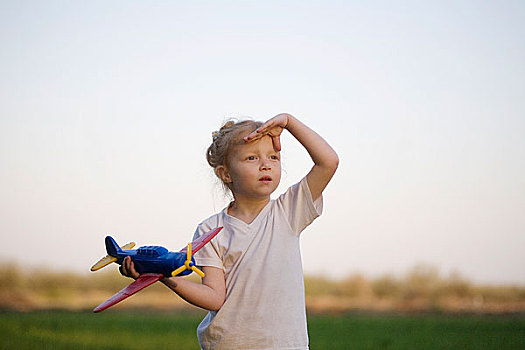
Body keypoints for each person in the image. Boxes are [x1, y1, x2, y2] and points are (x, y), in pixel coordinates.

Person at [120, 113, 338, 349]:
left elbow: (328, 162)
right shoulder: (210, 230)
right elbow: (214, 298)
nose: (265, 164)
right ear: (225, 174)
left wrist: (289, 122)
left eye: (273, 156)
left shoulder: (288, 212)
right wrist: (165, 276)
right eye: (252, 157)